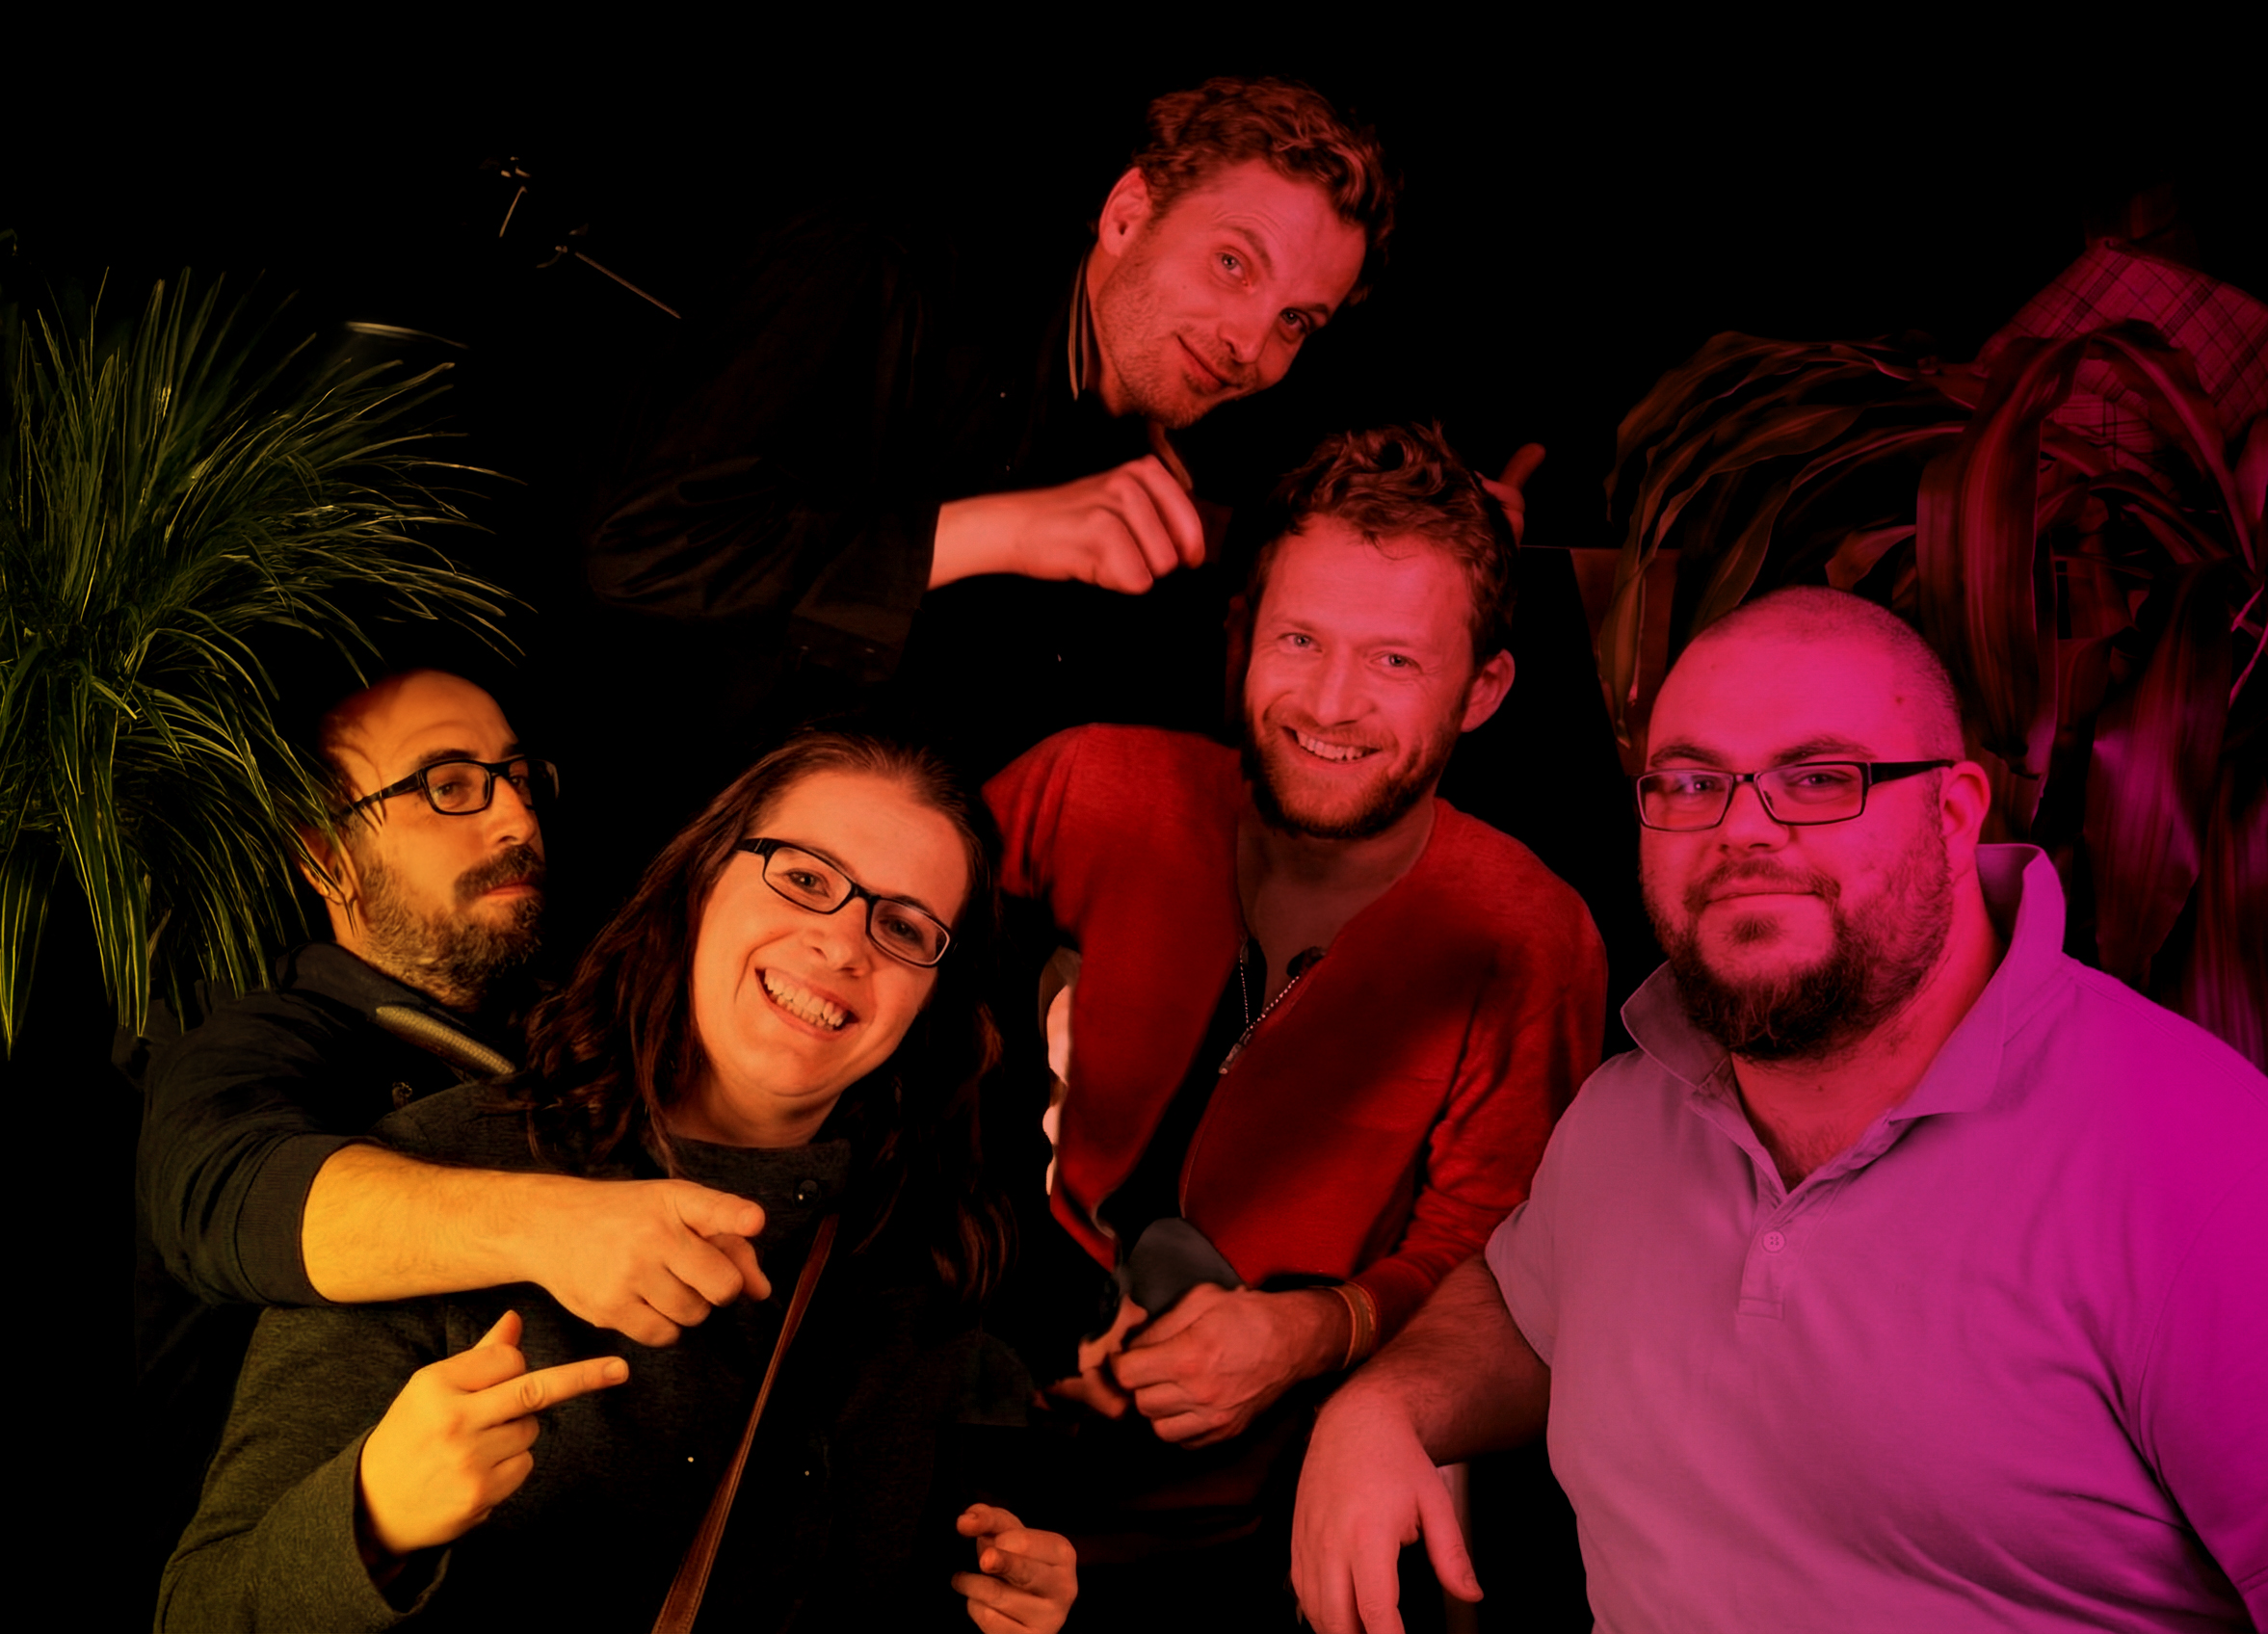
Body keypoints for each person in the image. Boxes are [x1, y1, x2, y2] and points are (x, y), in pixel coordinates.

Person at [1290, 587, 2268, 1634]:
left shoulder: (2229, 1184)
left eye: (1819, 777)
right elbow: (1527, 1302)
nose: (1742, 829)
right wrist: (1383, 1406)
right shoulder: (1622, 1119)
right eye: (1691, 783)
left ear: (1955, 813)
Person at [161, 731, 1079, 1631]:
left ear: (932, 994)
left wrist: (992, 1598)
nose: (845, 945)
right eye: (805, 879)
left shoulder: (921, 1253)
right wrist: (374, 1517)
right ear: (701, 883)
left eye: (905, 926)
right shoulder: (439, 1172)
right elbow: (199, 1608)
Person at [984, 424, 1607, 1625]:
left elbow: (1496, 1260)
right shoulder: (1088, 785)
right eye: (1300, 639)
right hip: (966, 1437)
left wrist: (1309, 1335)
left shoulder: (1530, 935)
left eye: (1394, 661)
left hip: (1245, 1542)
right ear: (1242, 636)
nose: (1329, 703)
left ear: (1483, 691)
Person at [566, 76, 1398, 872]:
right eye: (1233, 264)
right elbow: (642, 548)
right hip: (650, 852)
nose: (1249, 346)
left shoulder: (1153, 465)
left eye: (1296, 321)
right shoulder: (887, 267)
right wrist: (992, 531)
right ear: (1127, 214)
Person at [134, 669, 767, 1596]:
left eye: (518, 778)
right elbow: (224, 1190)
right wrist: (556, 1225)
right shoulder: (253, 1036)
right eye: (449, 784)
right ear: (324, 855)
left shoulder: (571, 1027)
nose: (514, 819)